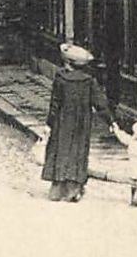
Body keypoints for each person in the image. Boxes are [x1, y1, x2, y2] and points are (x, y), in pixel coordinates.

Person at [41, 42, 110, 203]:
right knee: (78, 152)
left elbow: (54, 104)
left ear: (68, 63)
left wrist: (49, 124)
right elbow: (100, 104)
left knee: (60, 150)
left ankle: (57, 190)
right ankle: (73, 190)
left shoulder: (61, 79)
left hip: (61, 122)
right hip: (81, 124)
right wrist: (111, 122)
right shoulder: (89, 81)